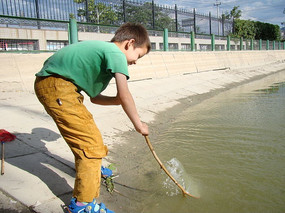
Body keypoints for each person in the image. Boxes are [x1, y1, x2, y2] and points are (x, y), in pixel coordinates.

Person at [34, 22, 150, 213]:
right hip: (58, 87)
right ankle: (82, 205)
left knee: (87, 137)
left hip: (57, 87)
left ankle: (92, 169)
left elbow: (95, 98)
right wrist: (139, 124)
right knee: (90, 144)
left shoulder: (103, 53)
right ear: (130, 43)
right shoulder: (115, 53)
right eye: (139, 55)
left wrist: (118, 101)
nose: (136, 61)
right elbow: (125, 93)